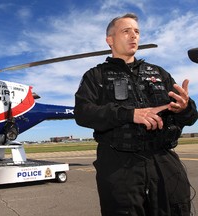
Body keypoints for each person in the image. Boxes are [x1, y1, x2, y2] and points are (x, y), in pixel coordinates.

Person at [74, 13, 198, 216]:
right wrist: (129, 114)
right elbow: (82, 113)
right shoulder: (95, 76)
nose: (134, 36)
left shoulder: (159, 73)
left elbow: (191, 118)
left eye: (137, 31)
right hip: (119, 165)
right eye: (126, 31)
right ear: (110, 40)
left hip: (164, 161)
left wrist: (185, 108)